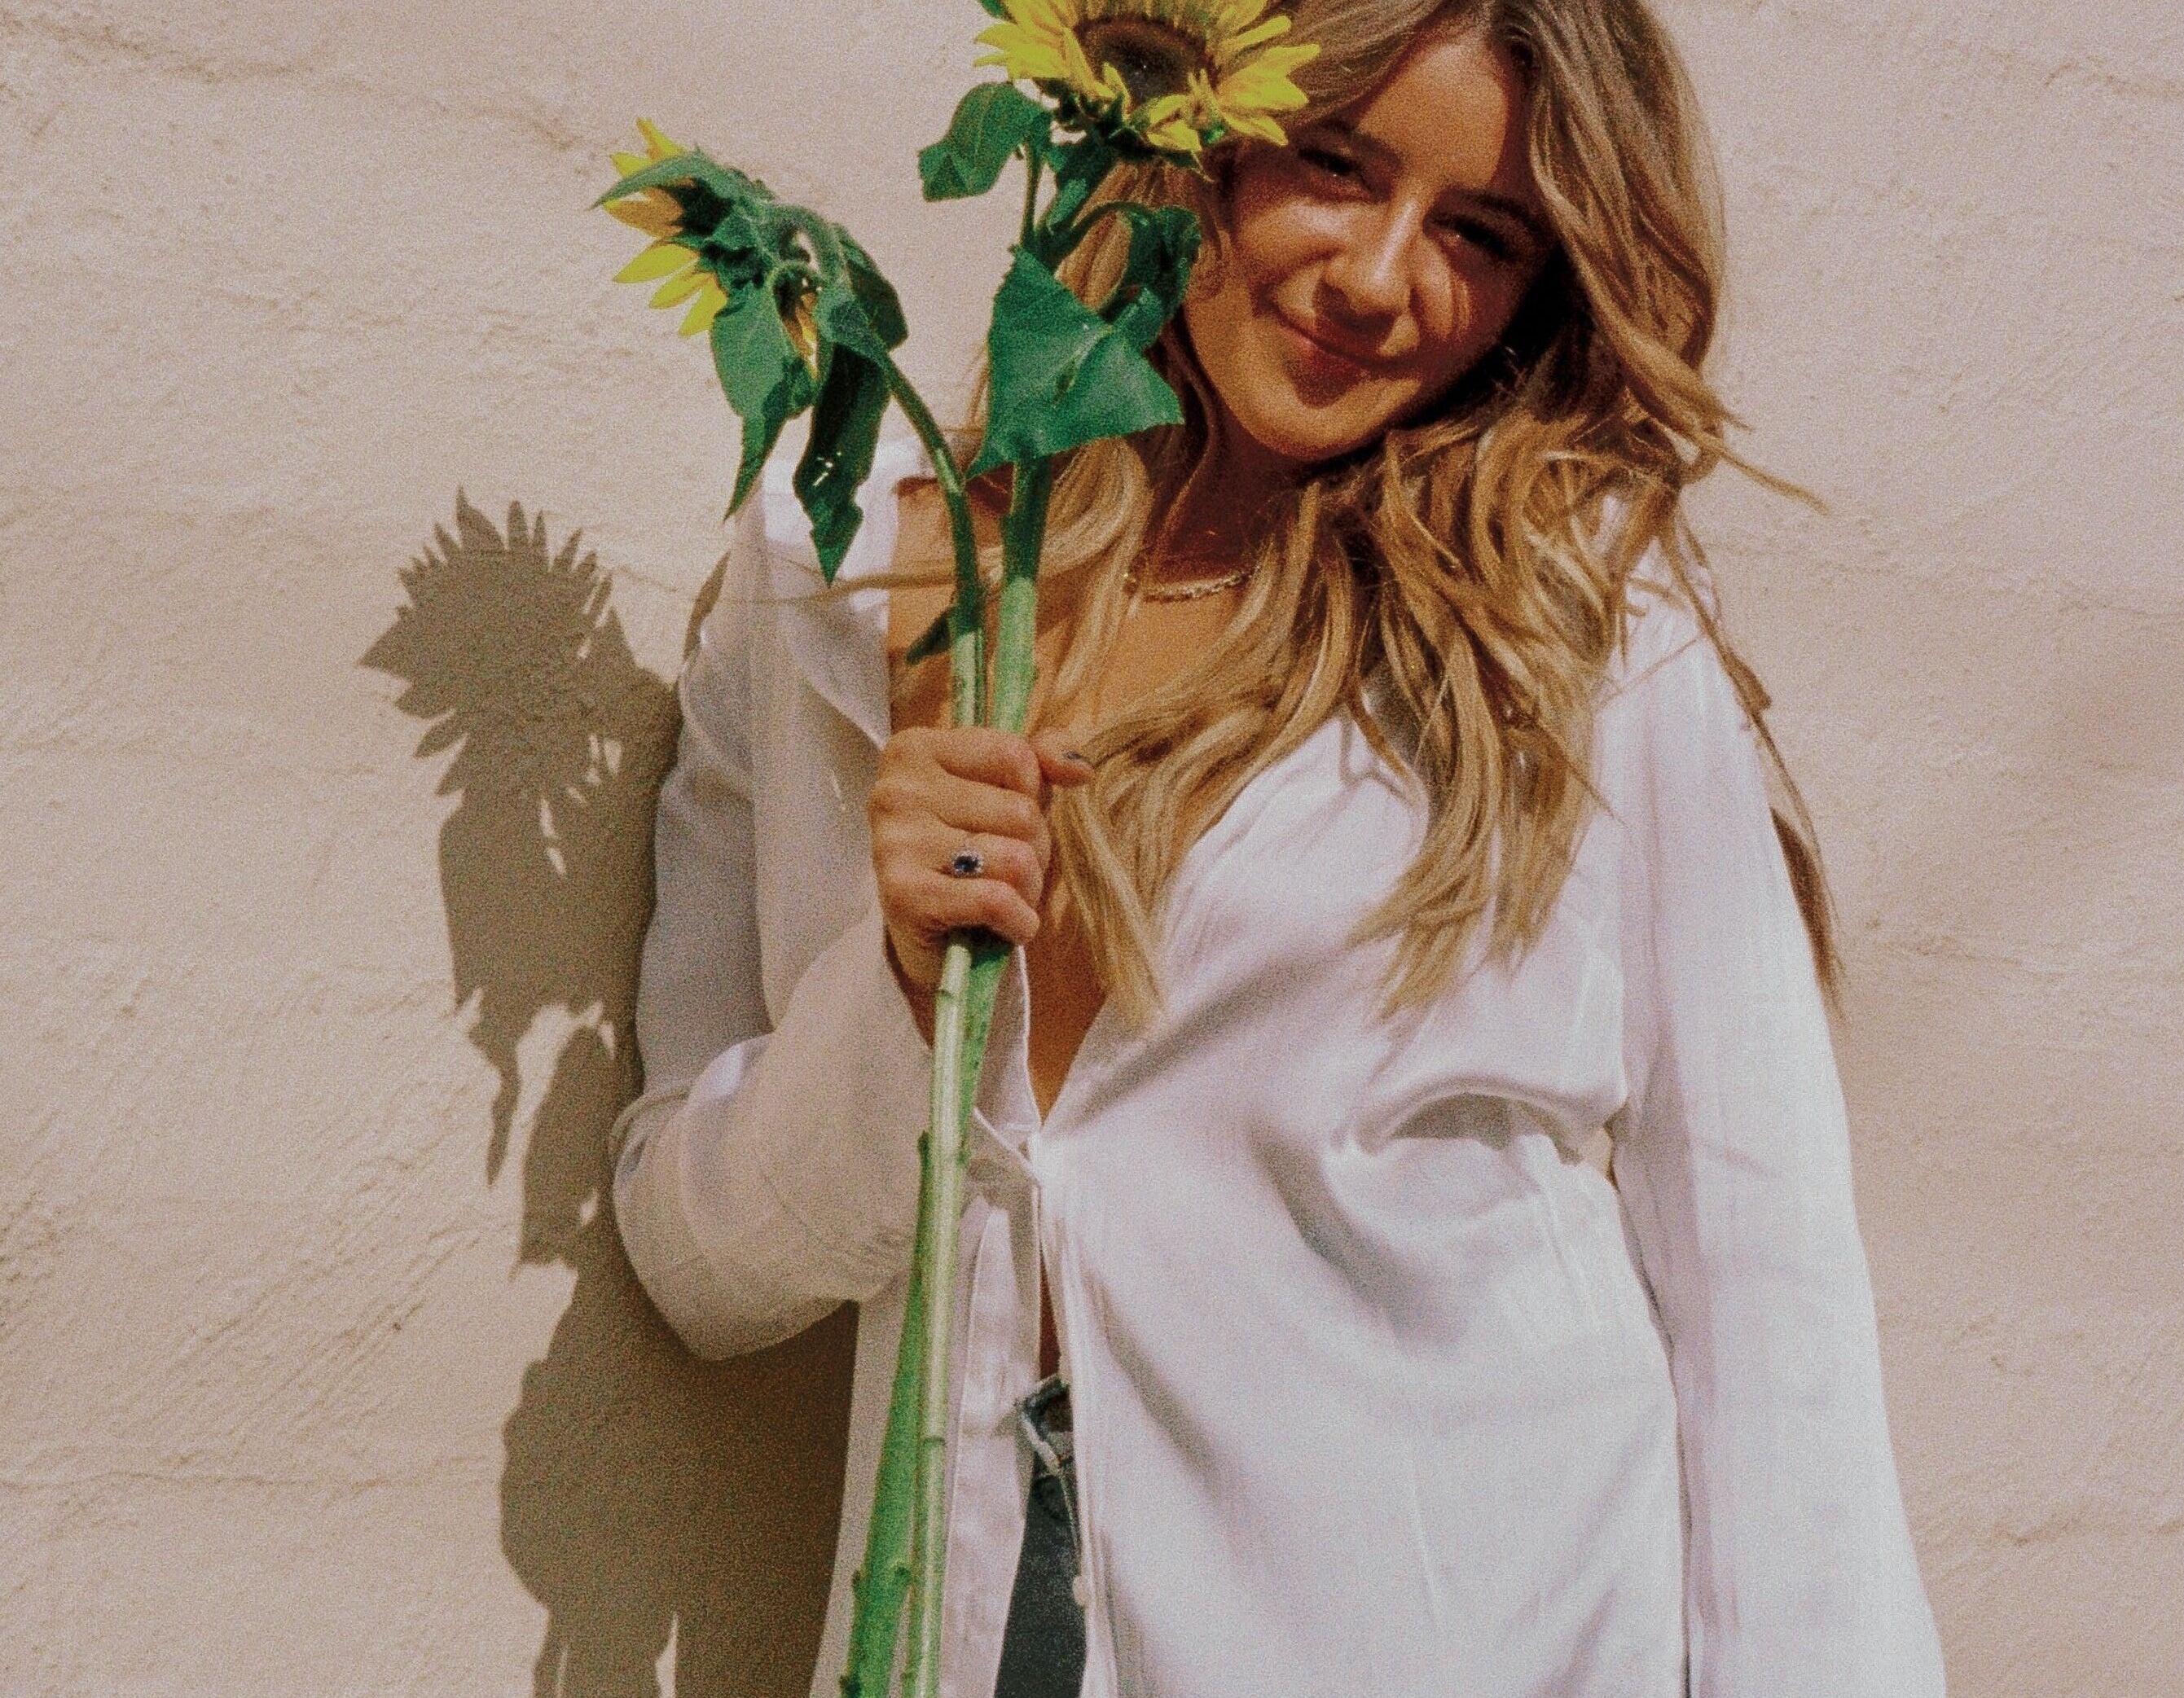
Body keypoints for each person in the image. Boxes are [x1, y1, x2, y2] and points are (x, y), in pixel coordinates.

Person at [607, 1, 1946, 1694]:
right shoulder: (834, 576)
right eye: (1334, 165)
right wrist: (892, 991)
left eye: (1480, 236)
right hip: (983, 1618)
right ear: (1189, 134)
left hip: (1488, 1635)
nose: (1383, 280)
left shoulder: (1574, 628)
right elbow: (696, 1258)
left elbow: (1763, 1269)